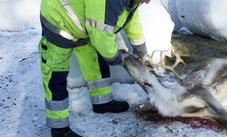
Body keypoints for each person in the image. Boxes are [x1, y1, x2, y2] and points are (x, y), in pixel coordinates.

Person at [38, 0, 152, 136]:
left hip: (83, 24)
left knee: (95, 63)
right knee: (56, 76)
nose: (148, 1)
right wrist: (119, 60)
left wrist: (142, 52)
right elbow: (101, 38)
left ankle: (102, 103)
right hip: (59, 20)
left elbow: (132, 22)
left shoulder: (132, 1)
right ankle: (59, 129)